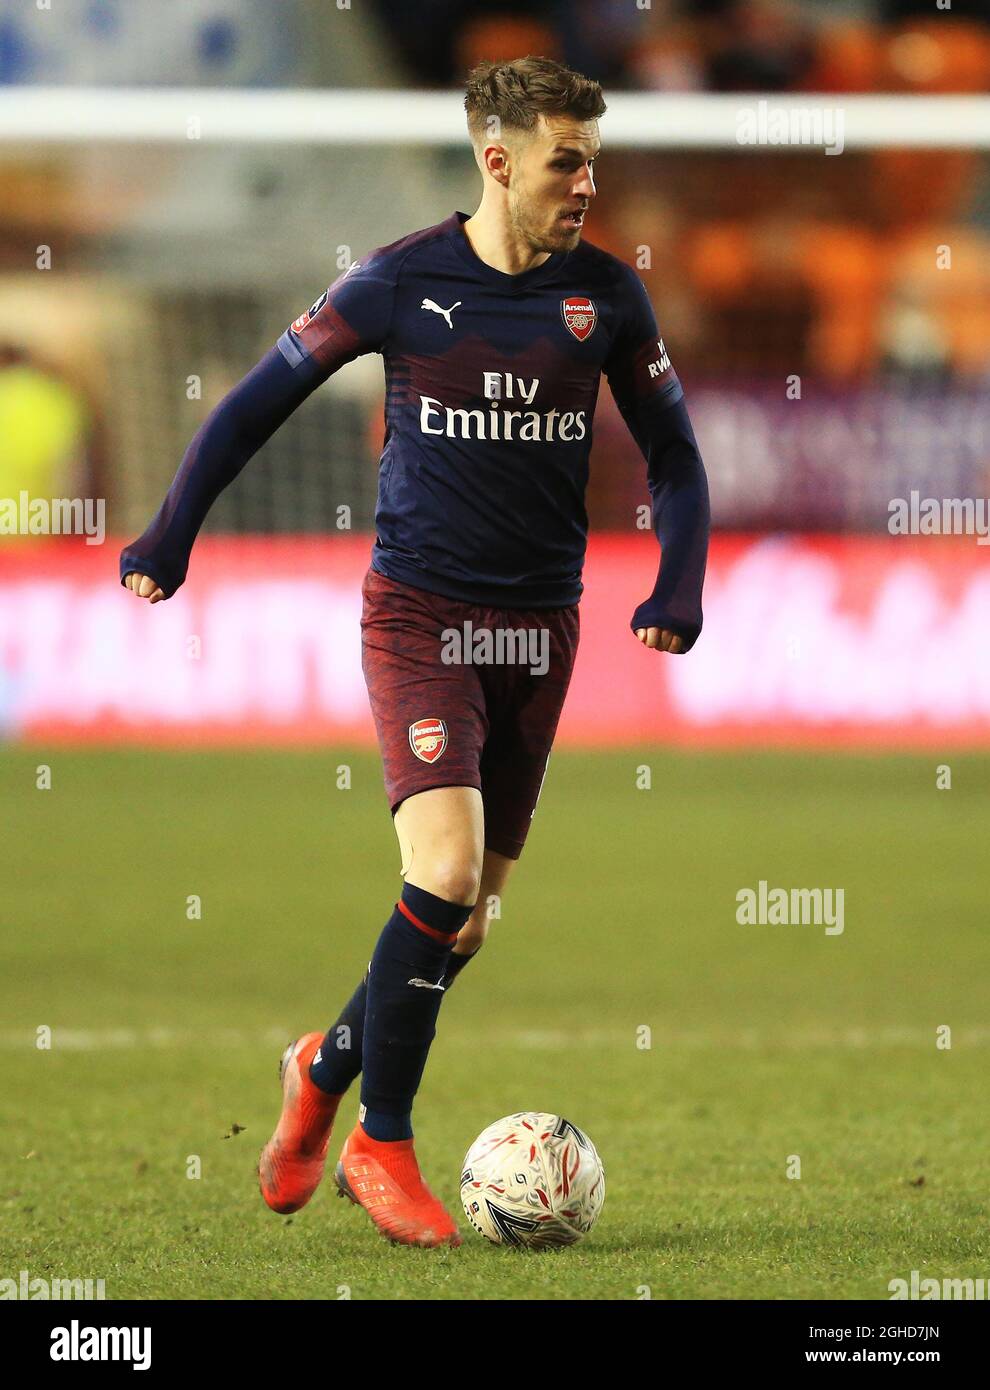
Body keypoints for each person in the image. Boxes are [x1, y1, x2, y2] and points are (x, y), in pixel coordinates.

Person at [119, 56, 710, 1248]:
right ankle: (380, 1144)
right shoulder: (398, 283)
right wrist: (171, 533)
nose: (586, 182)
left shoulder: (609, 298)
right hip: (420, 615)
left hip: (543, 631)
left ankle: (321, 1066)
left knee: (465, 919)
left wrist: (677, 582)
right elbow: (252, 406)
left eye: (593, 159)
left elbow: (676, 456)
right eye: (566, 160)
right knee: (440, 876)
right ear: (497, 160)